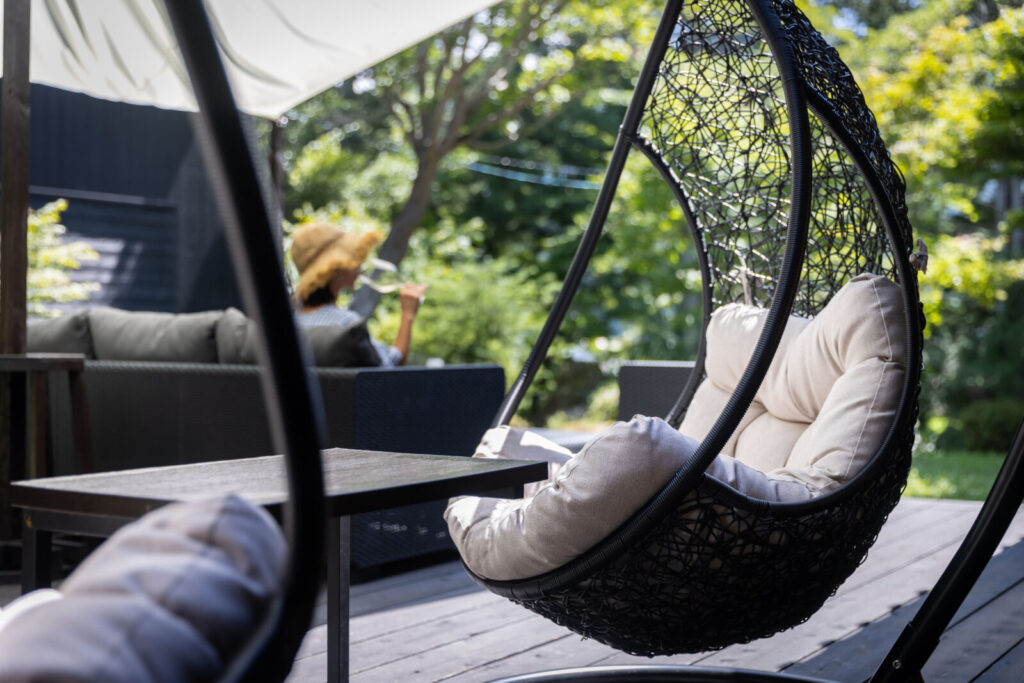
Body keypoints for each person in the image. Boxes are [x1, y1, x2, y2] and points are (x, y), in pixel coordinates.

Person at [290, 222, 427, 366]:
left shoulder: (291, 321)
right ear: (335, 268)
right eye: (352, 258)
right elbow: (393, 365)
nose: (359, 266)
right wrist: (407, 315)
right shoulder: (346, 326)